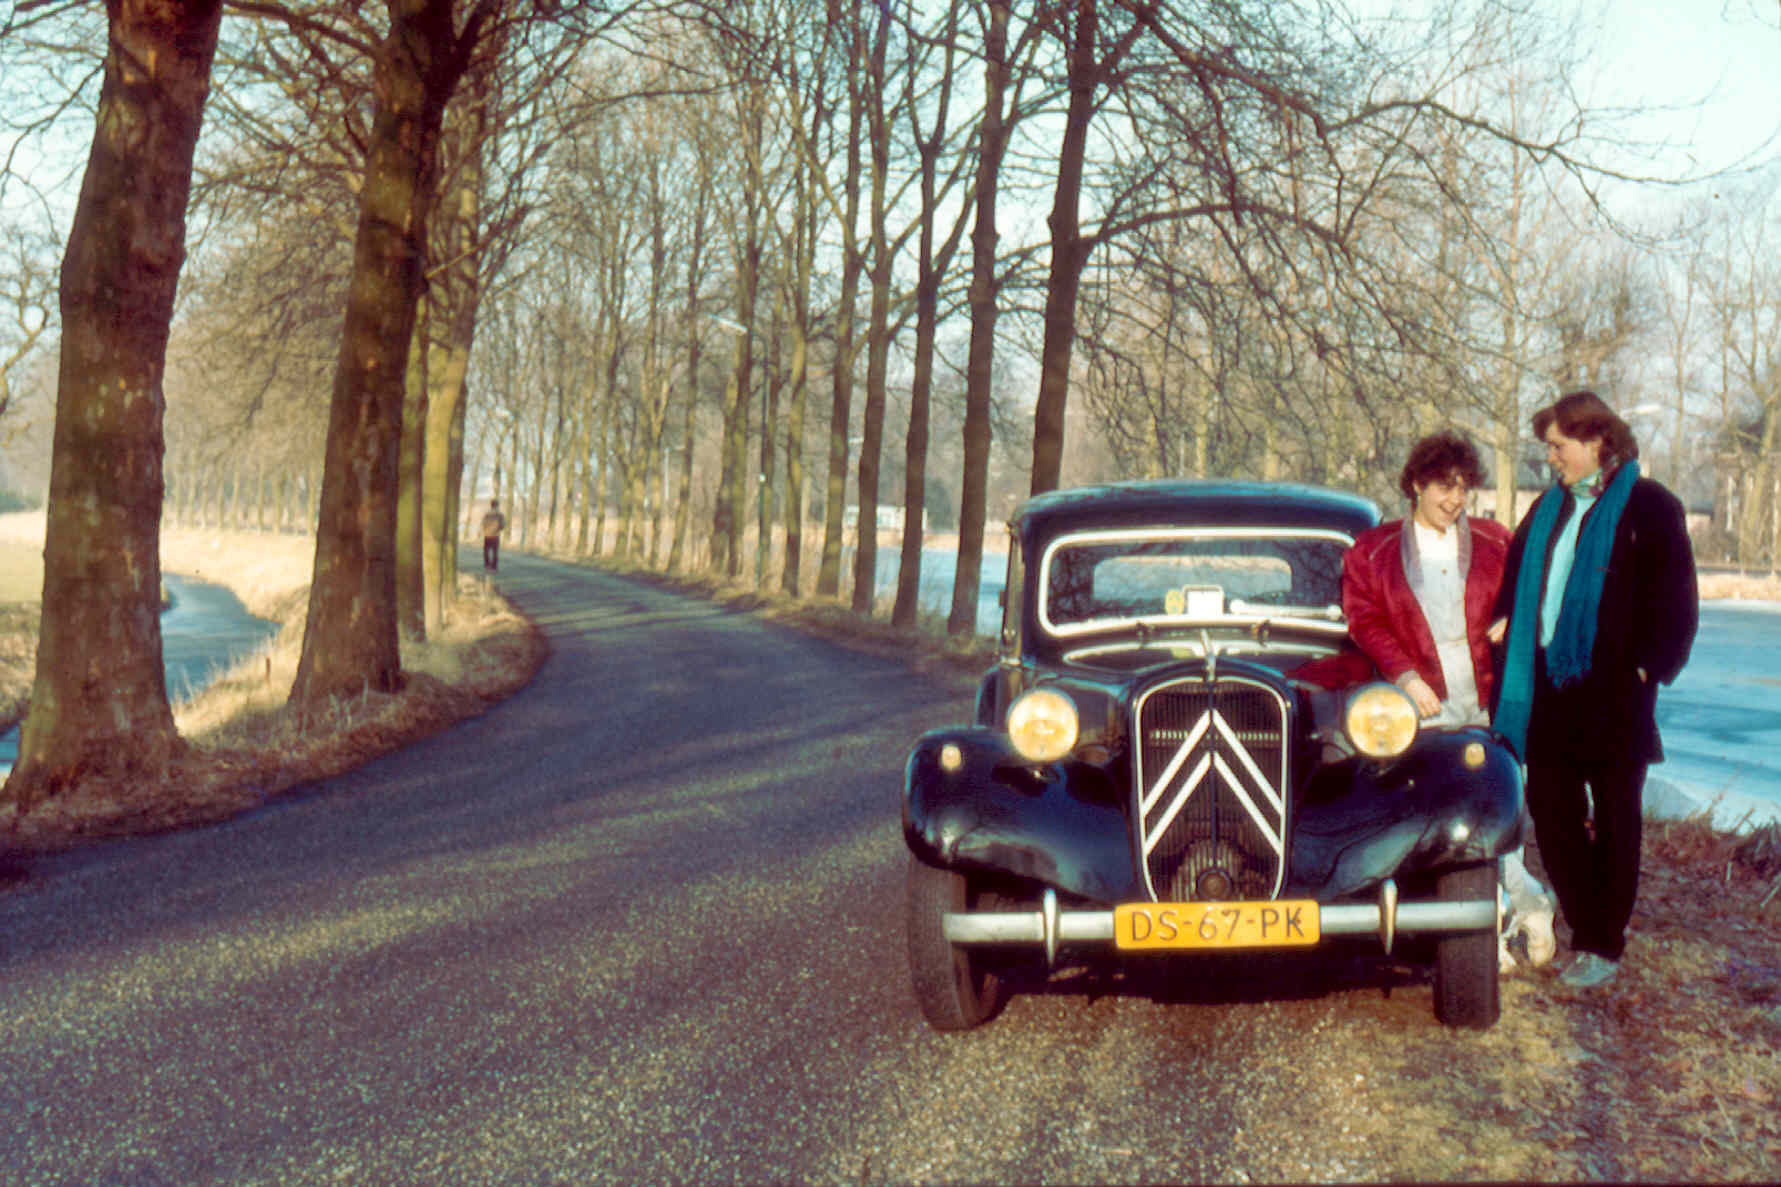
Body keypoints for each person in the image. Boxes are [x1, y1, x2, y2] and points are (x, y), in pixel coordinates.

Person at [1489, 391, 1698, 989]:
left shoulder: (1649, 505)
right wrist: (1506, 619)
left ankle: (1602, 943)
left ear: (1596, 441)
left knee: (1615, 820)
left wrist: (1648, 669)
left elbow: (1677, 600)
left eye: (1558, 446)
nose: (1550, 457)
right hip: (1548, 686)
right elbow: (1517, 575)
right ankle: (1585, 919)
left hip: (1614, 694)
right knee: (1550, 812)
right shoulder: (1548, 507)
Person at [1342, 430, 1556, 970]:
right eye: (1444, 486)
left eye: (1463, 488)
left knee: (1498, 808)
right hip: (1420, 705)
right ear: (1417, 484)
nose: (1456, 500)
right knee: (1437, 813)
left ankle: (1518, 910)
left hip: (1485, 696)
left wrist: (1512, 618)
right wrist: (1405, 675)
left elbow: (1528, 590)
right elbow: (1364, 619)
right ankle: (1477, 921)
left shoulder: (1494, 540)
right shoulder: (1374, 551)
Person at [481, 498, 506, 572]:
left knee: (486, 551)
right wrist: (498, 529)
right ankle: (494, 567)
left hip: (487, 535)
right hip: (495, 535)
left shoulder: (487, 514)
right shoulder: (500, 514)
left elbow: (483, 524)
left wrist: (486, 530)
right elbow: (503, 525)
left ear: (491, 505)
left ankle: (487, 566)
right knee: (495, 552)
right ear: (497, 505)